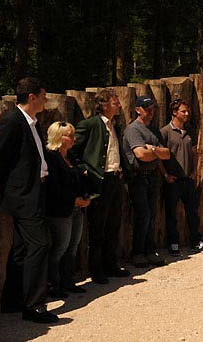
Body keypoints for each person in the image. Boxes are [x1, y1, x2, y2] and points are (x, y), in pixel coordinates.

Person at [0, 77, 58, 323]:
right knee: (40, 244)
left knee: (21, 249)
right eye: (43, 95)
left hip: (33, 191)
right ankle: (34, 306)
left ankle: (12, 300)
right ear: (32, 97)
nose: (46, 100)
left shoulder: (31, 122)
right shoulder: (11, 121)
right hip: (23, 195)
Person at [70, 88, 131, 284]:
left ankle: (110, 264)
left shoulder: (115, 126)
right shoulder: (89, 125)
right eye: (115, 103)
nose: (119, 106)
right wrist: (84, 170)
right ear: (104, 105)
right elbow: (72, 151)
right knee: (97, 227)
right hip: (98, 180)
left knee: (113, 224)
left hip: (114, 179)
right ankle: (96, 269)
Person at [45, 122, 90, 298]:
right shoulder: (51, 158)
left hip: (77, 209)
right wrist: (73, 199)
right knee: (59, 248)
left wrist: (85, 196)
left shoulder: (71, 155)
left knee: (73, 247)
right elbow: (52, 187)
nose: (74, 139)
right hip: (59, 210)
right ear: (59, 137)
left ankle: (68, 282)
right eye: (70, 135)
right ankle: (53, 285)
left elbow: (80, 178)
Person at [123, 96, 169, 267]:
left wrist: (153, 149)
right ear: (137, 110)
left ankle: (150, 251)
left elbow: (167, 154)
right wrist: (154, 152)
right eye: (147, 108)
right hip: (137, 178)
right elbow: (140, 155)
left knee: (151, 215)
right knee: (143, 215)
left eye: (152, 108)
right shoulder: (133, 130)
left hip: (151, 177)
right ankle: (138, 253)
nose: (151, 111)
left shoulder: (154, 131)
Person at [160, 99, 203, 256]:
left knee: (193, 212)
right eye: (183, 111)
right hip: (172, 180)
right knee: (171, 214)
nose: (187, 114)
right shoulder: (165, 132)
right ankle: (173, 243)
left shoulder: (189, 131)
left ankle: (195, 241)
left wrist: (194, 171)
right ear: (175, 112)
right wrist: (165, 175)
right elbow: (159, 156)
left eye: (187, 111)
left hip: (188, 179)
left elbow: (195, 152)